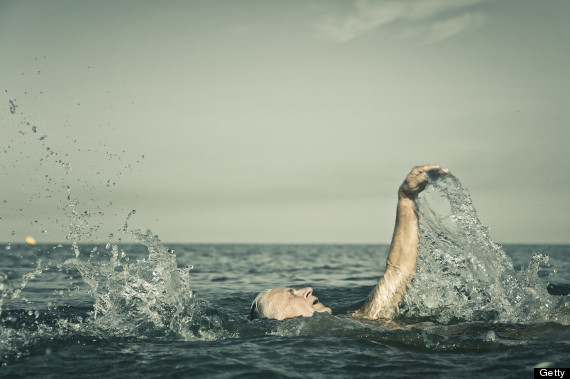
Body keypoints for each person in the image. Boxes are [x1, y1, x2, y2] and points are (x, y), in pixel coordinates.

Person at [249, 164, 450, 321]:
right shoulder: (341, 330)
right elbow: (398, 274)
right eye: (292, 294)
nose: (307, 289)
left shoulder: (348, 322)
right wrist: (405, 198)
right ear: (283, 319)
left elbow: (399, 275)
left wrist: (407, 198)